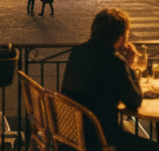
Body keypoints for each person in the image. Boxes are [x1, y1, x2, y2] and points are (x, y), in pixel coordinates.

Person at [61, 8, 153, 151]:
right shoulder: (114, 61)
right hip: (99, 138)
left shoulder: (78, 52)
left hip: (70, 135)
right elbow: (135, 100)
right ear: (121, 36)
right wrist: (129, 66)